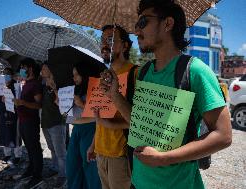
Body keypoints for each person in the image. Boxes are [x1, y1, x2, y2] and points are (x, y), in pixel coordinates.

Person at [99, 0, 232, 188]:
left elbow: (223, 135)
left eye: (143, 22)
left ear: (168, 24)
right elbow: (140, 122)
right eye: (136, 25)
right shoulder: (144, 71)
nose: (136, 31)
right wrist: (114, 94)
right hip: (139, 182)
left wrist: (164, 158)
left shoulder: (194, 71)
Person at [87, 25, 134, 189]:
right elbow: (100, 116)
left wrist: (110, 125)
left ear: (125, 46)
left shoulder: (135, 73)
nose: (104, 45)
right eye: (102, 40)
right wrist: (93, 145)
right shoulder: (103, 76)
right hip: (100, 152)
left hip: (120, 156)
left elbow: (139, 122)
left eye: (110, 39)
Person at [66, 65, 101, 189]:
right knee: (72, 165)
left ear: (85, 74)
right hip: (76, 130)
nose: (74, 77)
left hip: (91, 130)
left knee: (91, 169)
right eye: (73, 74)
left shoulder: (97, 89)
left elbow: (101, 115)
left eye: (77, 74)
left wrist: (82, 105)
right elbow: (69, 115)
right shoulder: (76, 90)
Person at [14, 58, 43, 188]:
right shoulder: (25, 83)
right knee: (29, 147)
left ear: (30, 68)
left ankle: (38, 175)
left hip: (31, 121)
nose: (21, 70)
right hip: (23, 119)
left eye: (23, 67)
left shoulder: (35, 84)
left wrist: (23, 103)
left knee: (34, 148)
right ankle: (31, 169)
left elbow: (39, 104)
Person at [40, 63, 67, 188]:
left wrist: (55, 88)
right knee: (52, 148)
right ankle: (55, 167)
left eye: (45, 68)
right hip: (46, 122)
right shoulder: (43, 85)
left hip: (56, 122)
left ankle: (63, 175)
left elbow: (61, 103)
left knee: (61, 152)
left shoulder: (59, 84)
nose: (42, 70)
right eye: (42, 68)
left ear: (51, 70)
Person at [0, 68, 22, 165]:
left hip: (14, 113)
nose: (6, 76)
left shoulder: (16, 85)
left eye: (8, 74)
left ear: (12, 75)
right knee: (4, 132)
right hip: (3, 112)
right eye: (4, 74)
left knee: (15, 133)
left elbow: (18, 98)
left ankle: (18, 155)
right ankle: (7, 154)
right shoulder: (0, 86)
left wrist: (8, 94)